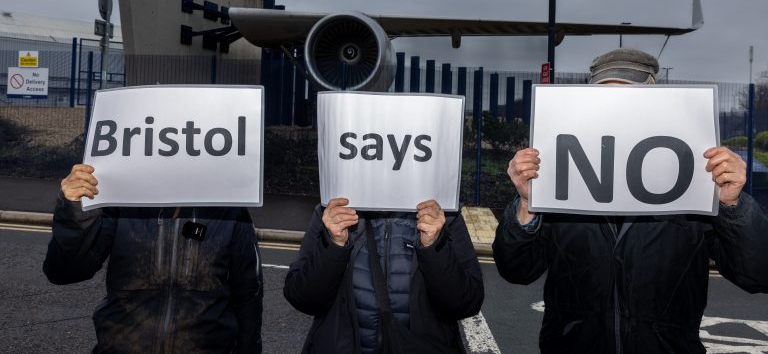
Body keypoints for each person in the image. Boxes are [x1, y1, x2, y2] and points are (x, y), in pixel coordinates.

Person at [493, 47, 768, 354]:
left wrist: (733, 206)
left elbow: (758, 273)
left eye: (631, 99)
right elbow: (515, 270)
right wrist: (526, 205)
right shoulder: (558, 176)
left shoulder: (696, 181)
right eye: (607, 99)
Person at [43, 163, 263, 353]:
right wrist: (75, 211)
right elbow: (63, 272)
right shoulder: (121, 199)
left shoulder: (229, 208)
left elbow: (248, 299)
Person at [283, 196, 484, 353]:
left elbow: (466, 303)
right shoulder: (332, 212)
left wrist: (433, 246)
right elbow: (303, 298)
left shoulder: (443, 215)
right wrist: (334, 244)